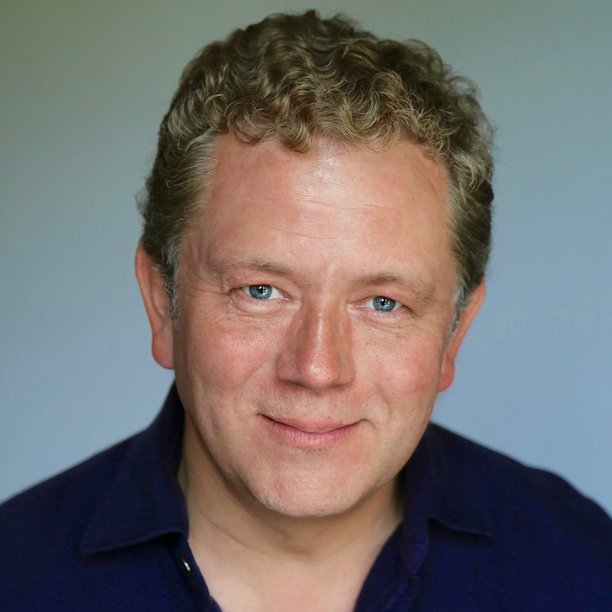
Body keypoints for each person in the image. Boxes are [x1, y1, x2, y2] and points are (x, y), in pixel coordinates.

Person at [1, 10, 611, 612]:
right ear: (163, 302)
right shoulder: (16, 576)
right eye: (261, 291)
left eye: (383, 303)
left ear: (454, 333)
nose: (317, 369)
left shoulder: (584, 569)